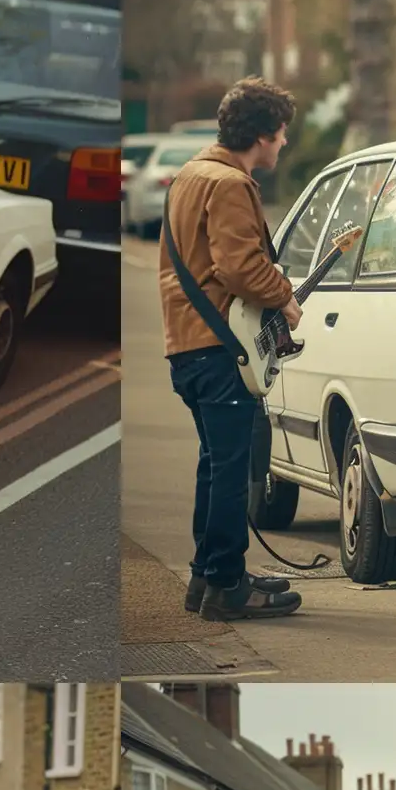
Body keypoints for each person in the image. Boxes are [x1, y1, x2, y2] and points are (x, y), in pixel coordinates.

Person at [157, 76, 304, 623]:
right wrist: (286, 298)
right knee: (232, 468)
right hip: (218, 347)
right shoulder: (229, 185)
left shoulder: (189, 175)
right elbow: (239, 268)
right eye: (282, 133)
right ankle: (228, 585)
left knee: (214, 465)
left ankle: (206, 576)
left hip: (187, 345)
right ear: (262, 134)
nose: (284, 143)